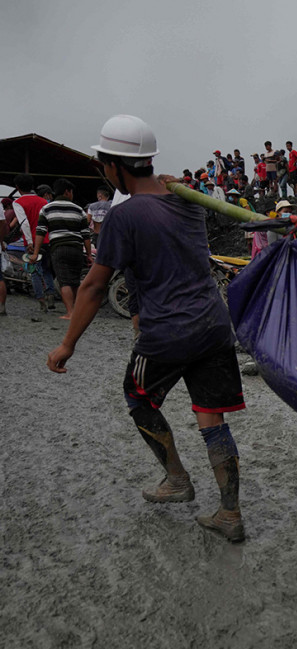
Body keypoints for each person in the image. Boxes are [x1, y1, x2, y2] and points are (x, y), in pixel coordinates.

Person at [47, 114, 247, 542]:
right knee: (211, 417)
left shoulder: (124, 215)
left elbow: (95, 285)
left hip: (168, 332)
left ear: (115, 165)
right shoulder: (190, 201)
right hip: (213, 324)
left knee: (137, 397)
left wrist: (67, 344)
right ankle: (229, 514)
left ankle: (177, 479)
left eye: (103, 164)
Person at [29, 178, 90, 319]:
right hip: (76, 249)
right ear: (67, 192)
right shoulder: (79, 209)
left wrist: (36, 253)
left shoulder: (46, 208)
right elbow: (86, 235)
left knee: (64, 281)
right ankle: (77, 311)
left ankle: (70, 313)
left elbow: (40, 232)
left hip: (58, 248)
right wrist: (88, 254)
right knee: (75, 281)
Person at [8, 173, 57, 311]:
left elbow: (24, 224)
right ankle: (50, 295)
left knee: (34, 270)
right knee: (47, 269)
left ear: (17, 187)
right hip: (47, 239)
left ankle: (41, 300)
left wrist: (29, 242)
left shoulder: (18, 203)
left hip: (31, 241)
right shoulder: (43, 201)